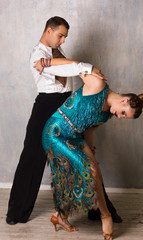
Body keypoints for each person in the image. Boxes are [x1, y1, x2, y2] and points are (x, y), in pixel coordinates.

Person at [6, 16, 121, 225]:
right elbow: (63, 69)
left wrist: (85, 68)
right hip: (46, 105)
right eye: (60, 36)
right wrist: (88, 67)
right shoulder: (38, 55)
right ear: (48, 31)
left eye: (65, 37)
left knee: (84, 156)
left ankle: (99, 210)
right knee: (32, 158)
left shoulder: (57, 53)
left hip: (66, 105)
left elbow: (68, 67)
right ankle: (16, 213)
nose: (63, 41)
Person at [37, 58, 143, 239]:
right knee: (89, 169)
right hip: (55, 132)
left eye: (123, 117)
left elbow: (88, 129)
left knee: (96, 169)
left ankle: (61, 216)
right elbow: (74, 66)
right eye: (123, 113)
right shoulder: (97, 83)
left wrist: (91, 151)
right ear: (125, 100)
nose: (120, 117)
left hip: (74, 136)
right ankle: (106, 216)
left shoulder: (107, 114)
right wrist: (47, 62)